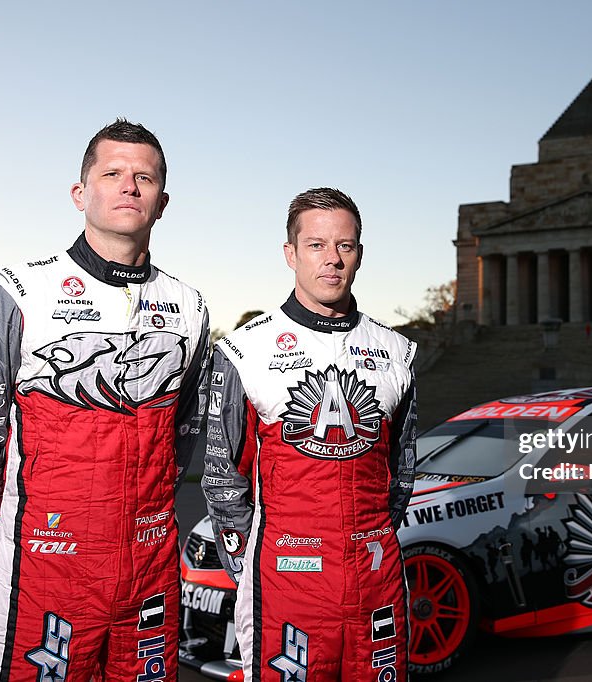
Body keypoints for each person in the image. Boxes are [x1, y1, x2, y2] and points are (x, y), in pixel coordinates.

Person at [0, 119, 210, 681]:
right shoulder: (17, 289)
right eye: (111, 173)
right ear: (80, 194)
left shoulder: (190, 307)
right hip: (45, 567)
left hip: (150, 568)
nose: (129, 186)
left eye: (144, 177)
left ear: (163, 202)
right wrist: (12, 544)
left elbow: (183, 434)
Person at [203, 188, 417, 682]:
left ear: (359, 254)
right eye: (316, 245)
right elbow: (222, 482)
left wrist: (370, 541)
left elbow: (400, 473)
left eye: (345, 245)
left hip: (376, 579)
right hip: (283, 585)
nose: (332, 260)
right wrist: (254, 571)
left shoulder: (398, 352)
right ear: (290, 254)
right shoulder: (244, 350)